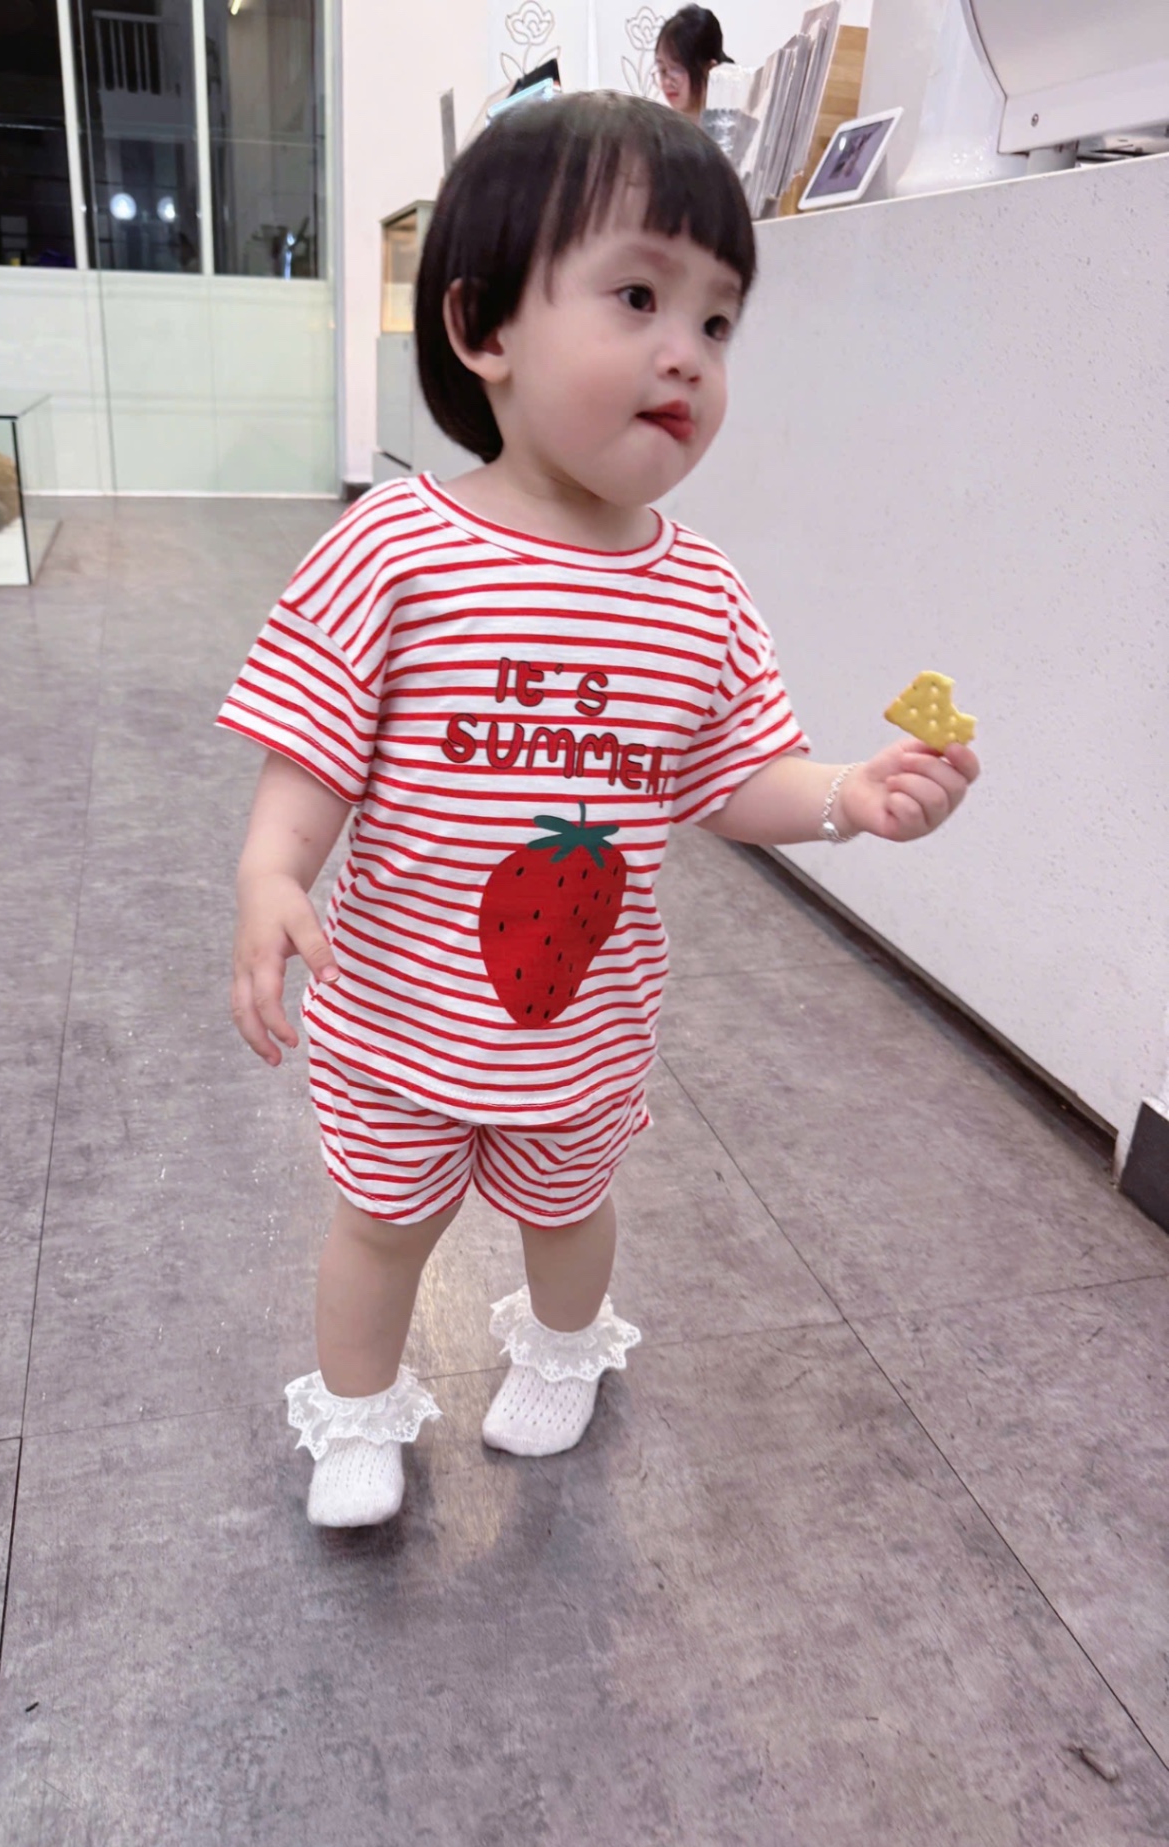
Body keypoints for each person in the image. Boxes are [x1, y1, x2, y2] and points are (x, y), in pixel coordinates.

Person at [218, 93, 980, 1529]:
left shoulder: (699, 592)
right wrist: (271, 874)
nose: (686, 351)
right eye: (638, 296)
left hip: (580, 1014)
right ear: (482, 326)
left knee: (567, 1208)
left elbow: (732, 773)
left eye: (717, 319)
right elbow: (311, 747)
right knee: (380, 1226)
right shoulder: (394, 548)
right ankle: (358, 1416)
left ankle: (562, 1349)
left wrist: (848, 796)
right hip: (395, 1013)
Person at [655, 5, 730, 116]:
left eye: (677, 69)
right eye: (663, 70)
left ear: (710, 70)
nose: (667, 82)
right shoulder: (659, 123)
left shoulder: (737, 123)